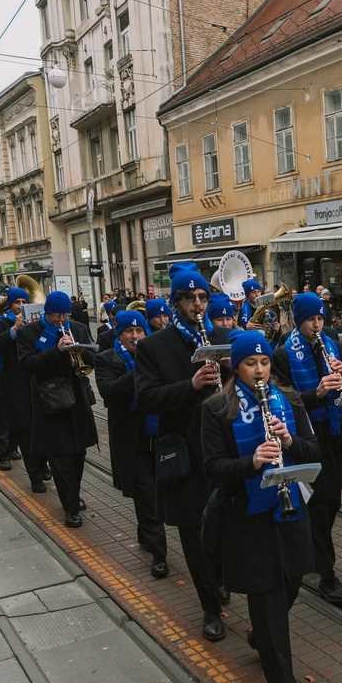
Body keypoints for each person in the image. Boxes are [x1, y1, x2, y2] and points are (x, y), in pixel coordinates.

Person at [202, 330, 319, 683]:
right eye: (251, 363)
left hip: (290, 510)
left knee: (292, 582)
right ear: (236, 367)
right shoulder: (217, 408)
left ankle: (263, 635)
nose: (259, 370)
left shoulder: (290, 399)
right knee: (268, 601)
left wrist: (290, 441)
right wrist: (251, 462)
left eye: (265, 362)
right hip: (248, 517)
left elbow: (313, 450)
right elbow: (213, 468)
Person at [136, 262, 229, 640]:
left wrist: (233, 368)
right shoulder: (153, 346)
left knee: (225, 528)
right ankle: (210, 607)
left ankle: (219, 578)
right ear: (176, 302)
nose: (198, 304)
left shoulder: (222, 337)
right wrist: (190, 385)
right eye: (189, 298)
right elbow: (146, 398)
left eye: (203, 297)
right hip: (186, 452)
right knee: (194, 533)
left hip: (223, 448)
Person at [273, 292, 342, 606]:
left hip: (332, 433)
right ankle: (326, 574)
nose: (317, 325)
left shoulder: (333, 345)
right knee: (318, 506)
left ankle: (313, 553)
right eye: (310, 320)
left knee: (332, 502)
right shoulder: (283, 353)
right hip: (307, 435)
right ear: (298, 321)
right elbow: (284, 400)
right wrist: (315, 393)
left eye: (320, 318)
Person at [93, 310, 169, 576]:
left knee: (154, 493)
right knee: (146, 494)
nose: (135, 336)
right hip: (132, 439)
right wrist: (141, 367)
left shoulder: (157, 354)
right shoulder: (106, 359)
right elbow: (109, 391)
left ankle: (146, 534)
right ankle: (159, 555)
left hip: (159, 435)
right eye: (129, 331)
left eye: (139, 331)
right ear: (119, 334)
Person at [16, 291, 97, 526]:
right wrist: (56, 351)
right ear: (47, 313)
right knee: (60, 458)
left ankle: (73, 494)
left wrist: (82, 352)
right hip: (50, 402)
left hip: (77, 401)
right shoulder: (29, 332)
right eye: (56, 316)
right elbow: (27, 364)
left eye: (65, 315)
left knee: (79, 454)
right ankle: (70, 508)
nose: (61, 320)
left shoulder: (78, 328)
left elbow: (93, 357)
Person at [0, 287, 47, 492]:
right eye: (17, 302)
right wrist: (15, 329)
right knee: (25, 432)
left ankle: (43, 465)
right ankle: (35, 476)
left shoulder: (38, 323)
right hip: (16, 385)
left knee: (43, 430)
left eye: (24, 302)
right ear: (10, 304)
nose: (21, 306)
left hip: (39, 383)